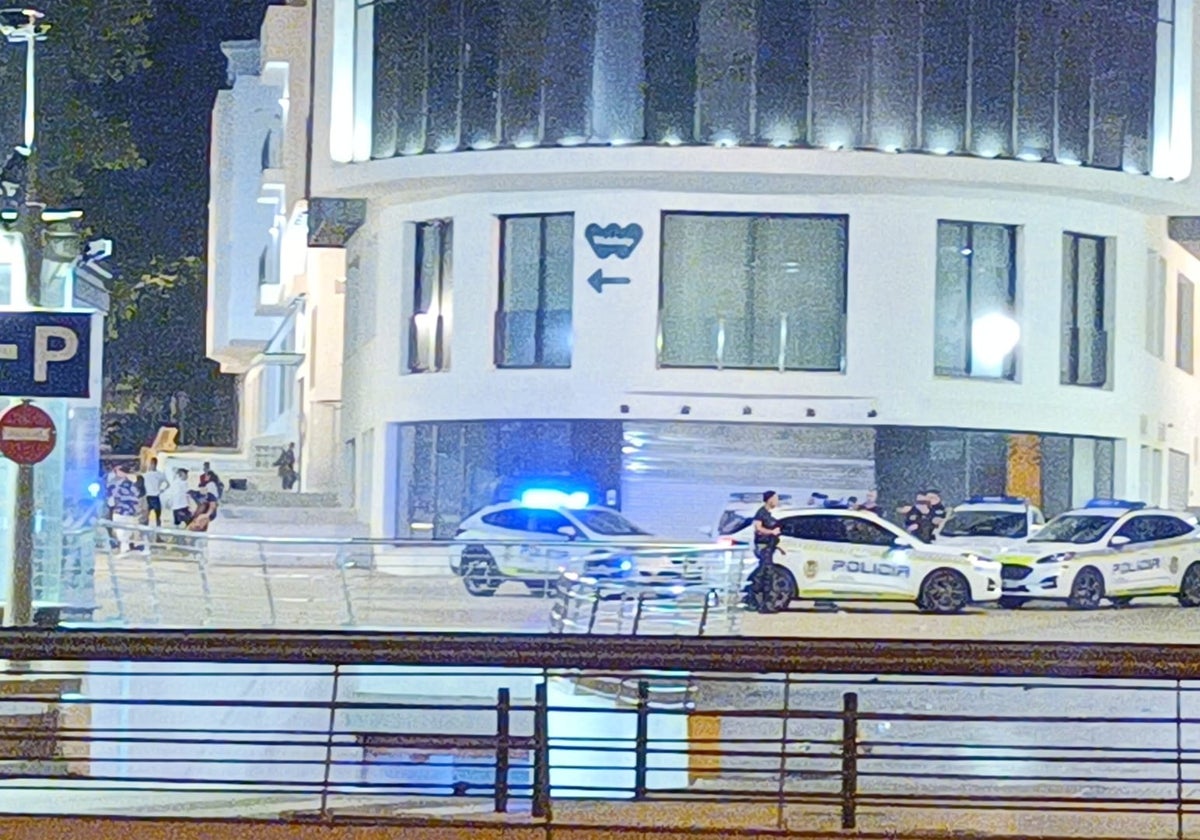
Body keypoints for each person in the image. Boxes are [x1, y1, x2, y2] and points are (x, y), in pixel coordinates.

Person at [746, 490, 788, 614]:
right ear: (769, 499)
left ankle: (756, 601)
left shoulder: (768, 514)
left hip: (769, 547)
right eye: (775, 499)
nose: (777, 501)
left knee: (765, 575)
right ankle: (759, 602)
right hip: (763, 548)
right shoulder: (761, 513)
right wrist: (771, 532)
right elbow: (758, 529)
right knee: (765, 575)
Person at [110, 467, 142, 554]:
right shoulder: (132, 486)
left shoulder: (116, 485)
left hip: (121, 511)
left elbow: (112, 498)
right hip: (128, 511)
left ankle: (124, 547)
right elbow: (136, 498)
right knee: (125, 530)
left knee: (121, 530)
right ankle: (125, 547)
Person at [141, 457, 168, 528]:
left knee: (158, 517)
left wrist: (162, 490)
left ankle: (158, 534)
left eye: (153, 463)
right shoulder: (145, 475)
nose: (152, 465)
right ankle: (144, 532)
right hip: (148, 497)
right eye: (151, 463)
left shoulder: (159, 474)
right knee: (146, 517)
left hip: (155, 496)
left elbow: (167, 484)